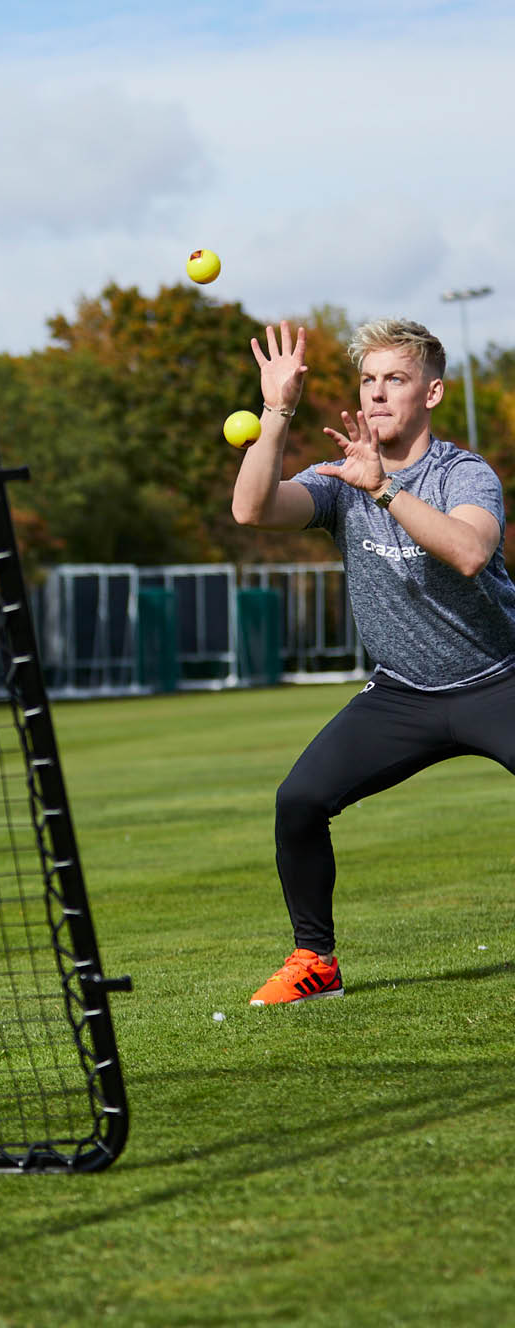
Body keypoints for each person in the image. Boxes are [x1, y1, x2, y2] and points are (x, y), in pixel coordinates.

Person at [231, 317, 515, 1006]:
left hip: (499, 679)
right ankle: (315, 961)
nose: (379, 394)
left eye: (397, 379)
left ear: (434, 393)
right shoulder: (341, 476)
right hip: (403, 695)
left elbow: (469, 552)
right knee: (298, 801)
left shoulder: (463, 473)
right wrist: (277, 412)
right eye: (368, 380)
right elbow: (252, 509)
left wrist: (385, 488)